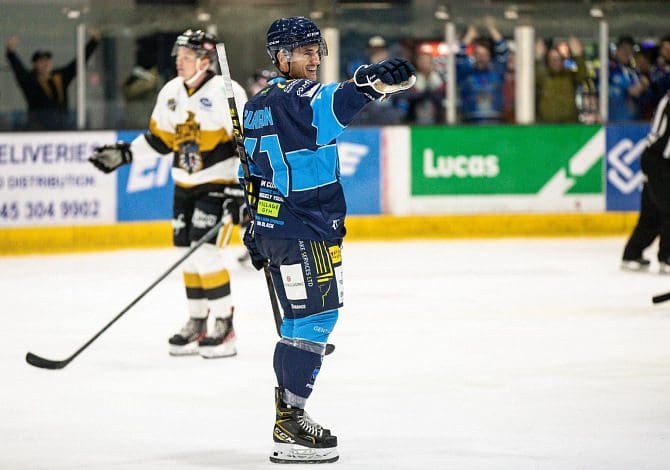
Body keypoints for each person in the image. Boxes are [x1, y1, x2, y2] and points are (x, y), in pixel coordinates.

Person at [240, 16, 415, 464]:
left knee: (300, 324)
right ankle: (291, 422)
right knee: (317, 321)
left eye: (317, 49)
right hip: (305, 227)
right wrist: (371, 81)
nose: (315, 57)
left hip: (279, 226)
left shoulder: (257, 104)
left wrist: (256, 225)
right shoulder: (298, 97)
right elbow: (335, 100)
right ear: (280, 58)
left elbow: (253, 174)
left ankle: (288, 414)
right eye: (304, 50)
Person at [88, 29, 248, 358]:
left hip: (218, 185)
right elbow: (161, 140)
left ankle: (224, 325)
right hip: (183, 185)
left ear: (205, 61)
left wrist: (240, 188)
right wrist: (126, 154)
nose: (179, 62)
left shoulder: (225, 92)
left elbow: (248, 143)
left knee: (205, 254)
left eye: (187, 57)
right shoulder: (171, 91)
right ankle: (197, 320)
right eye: (178, 57)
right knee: (185, 254)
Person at [5, 32, 99, 130]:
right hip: (38, 128)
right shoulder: (30, 80)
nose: (46, 63)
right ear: (35, 64)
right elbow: (18, 69)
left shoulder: (59, 77)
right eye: (41, 61)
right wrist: (10, 52)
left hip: (61, 126)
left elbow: (77, 63)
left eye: (47, 60)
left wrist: (93, 42)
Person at [621, 91, 670, 273]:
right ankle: (667, 257)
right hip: (659, 162)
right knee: (666, 209)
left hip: (657, 160)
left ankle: (632, 253)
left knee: (652, 212)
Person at [456, 16, 510, 123]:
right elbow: (459, 58)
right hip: (470, 122)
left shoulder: (497, 71)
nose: (481, 57)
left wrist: (492, 29)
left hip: (495, 121)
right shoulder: (466, 73)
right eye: (478, 54)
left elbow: (504, 52)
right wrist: (469, 37)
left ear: (489, 56)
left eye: (484, 54)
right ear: (474, 55)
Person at [535, 36, 588, 123]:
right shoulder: (543, 77)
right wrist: (536, 57)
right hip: (547, 125)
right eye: (552, 59)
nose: (556, 62)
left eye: (558, 59)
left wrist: (578, 55)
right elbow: (531, 77)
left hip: (569, 124)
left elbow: (582, 75)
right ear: (548, 61)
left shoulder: (569, 76)